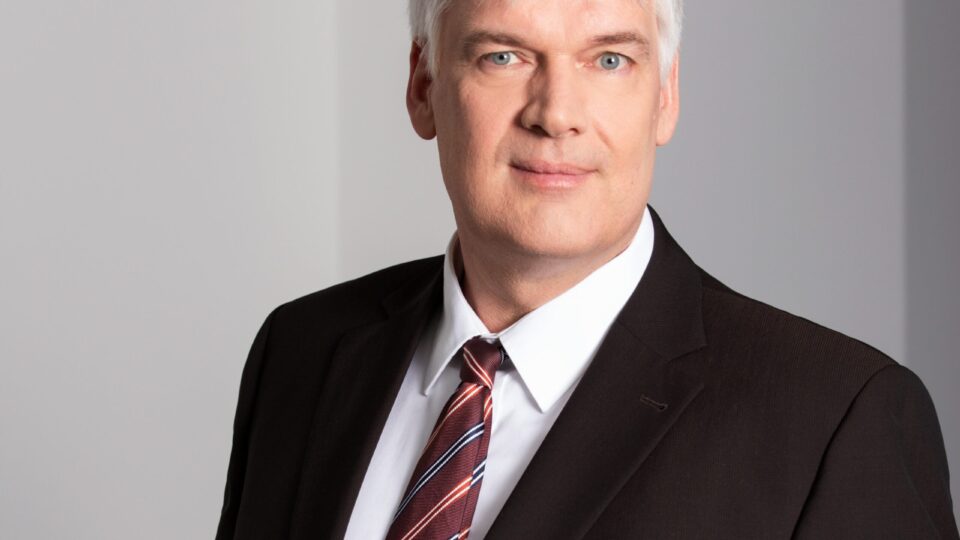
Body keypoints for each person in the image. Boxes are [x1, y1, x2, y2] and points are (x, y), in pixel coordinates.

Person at [215, 0, 958, 538]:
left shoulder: (835, 423)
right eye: (503, 55)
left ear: (665, 96)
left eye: (609, 60)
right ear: (423, 86)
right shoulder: (302, 352)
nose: (556, 113)